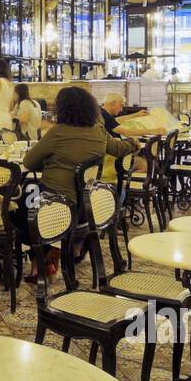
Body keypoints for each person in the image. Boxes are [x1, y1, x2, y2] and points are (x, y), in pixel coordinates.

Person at [19, 87, 139, 281]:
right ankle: (71, 247)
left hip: (55, 203)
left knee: (25, 200)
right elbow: (117, 148)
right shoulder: (98, 131)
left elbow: (29, 162)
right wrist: (133, 143)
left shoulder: (57, 132)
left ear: (63, 108)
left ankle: (39, 262)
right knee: (32, 198)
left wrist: (51, 161)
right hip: (88, 205)